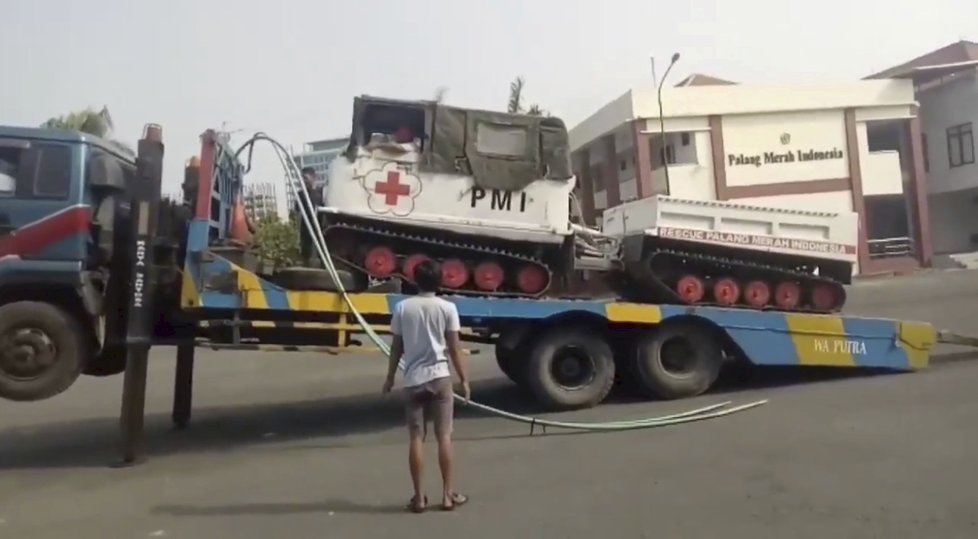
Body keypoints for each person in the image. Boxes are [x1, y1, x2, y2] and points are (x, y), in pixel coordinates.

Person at [382, 259, 470, 513]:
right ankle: (447, 496)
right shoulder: (447, 308)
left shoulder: (402, 308)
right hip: (440, 378)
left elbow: (397, 347)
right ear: (440, 281)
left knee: (416, 438)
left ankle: (419, 498)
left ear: (414, 280)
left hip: (413, 380)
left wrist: (389, 378)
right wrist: (463, 379)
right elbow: (454, 347)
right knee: (444, 436)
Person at [294, 167, 323, 265]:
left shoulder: (321, 192)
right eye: (302, 178)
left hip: (320, 228)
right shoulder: (301, 194)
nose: (303, 181)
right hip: (306, 230)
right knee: (306, 256)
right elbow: (298, 214)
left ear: (314, 177)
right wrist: (297, 234)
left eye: (305, 178)